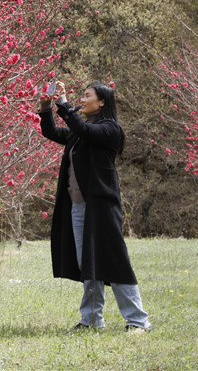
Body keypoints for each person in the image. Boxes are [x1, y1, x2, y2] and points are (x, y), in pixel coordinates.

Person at [37, 80, 152, 332]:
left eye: (87, 95)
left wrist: (64, 105)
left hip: (101, 206)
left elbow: (84, 129)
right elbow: (53, 133)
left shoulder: (110, 129)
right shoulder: (81, 132)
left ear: (102, 102)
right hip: (79, 208)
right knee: (87, 263)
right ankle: (90, 320)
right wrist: (46, 108)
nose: (83, 99)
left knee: (115, 260)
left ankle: (138, 321)